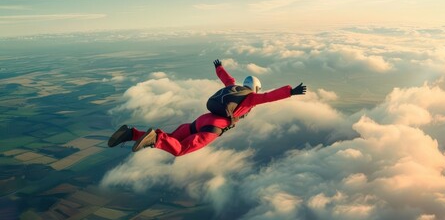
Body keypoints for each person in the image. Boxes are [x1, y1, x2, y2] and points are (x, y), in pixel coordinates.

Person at [107, 59, 307, 156]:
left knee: (173, 139)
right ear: (255, 87)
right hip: (212, 127)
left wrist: (219, 67)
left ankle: (131, 133)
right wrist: (291, 91)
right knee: (180, 150)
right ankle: (156, 138)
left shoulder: (233, 87)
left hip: (201, 119)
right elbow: (269, 97)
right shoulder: (250, 98)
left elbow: (226, 77)